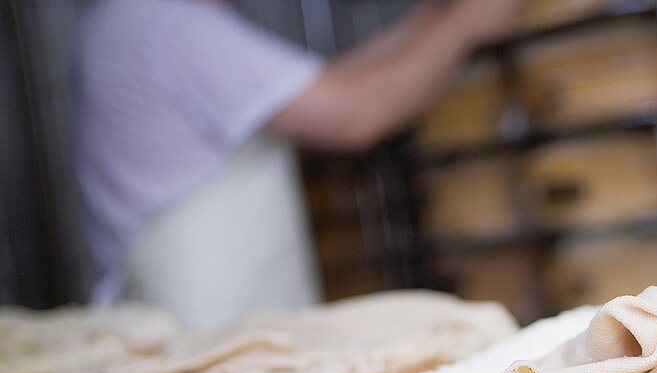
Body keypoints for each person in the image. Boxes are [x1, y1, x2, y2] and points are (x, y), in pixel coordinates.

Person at [73, 0, 518, 331]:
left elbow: (326, 84)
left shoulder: (126, 20)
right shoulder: (170, 26)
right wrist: (465, 24)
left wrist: (432, 21)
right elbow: (352, 112)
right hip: (209, 336)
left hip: (192, 320)